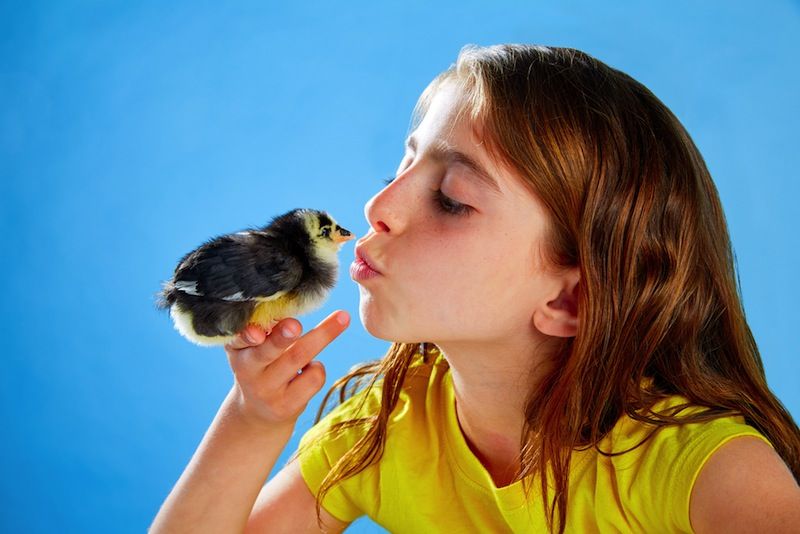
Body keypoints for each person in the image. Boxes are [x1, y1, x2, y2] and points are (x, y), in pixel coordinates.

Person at [150, 44, 800, 534]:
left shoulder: (702, 469)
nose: (379, 205)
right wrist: (251, 421)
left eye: (451, 199)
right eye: (401, 166)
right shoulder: (388, 428)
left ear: (568, 301)